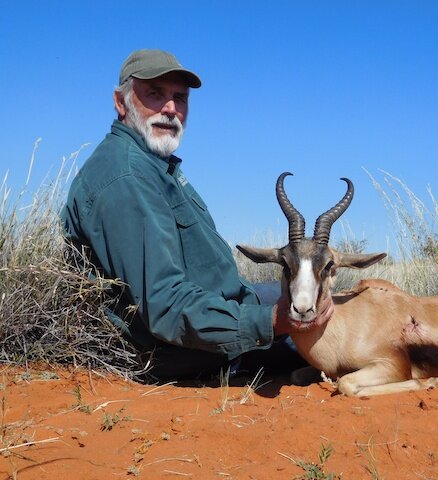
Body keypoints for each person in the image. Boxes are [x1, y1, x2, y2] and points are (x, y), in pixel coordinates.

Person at [61, 49, 332, 380]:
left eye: (180, 97)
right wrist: (270, 323)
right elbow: (166, 306)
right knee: (321, 323)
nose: (171, 108)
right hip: (182, 352)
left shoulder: (154, 165)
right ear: (121, 102)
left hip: (219, 307)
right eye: (155, 94)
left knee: (326, 296)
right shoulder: (127, 177)